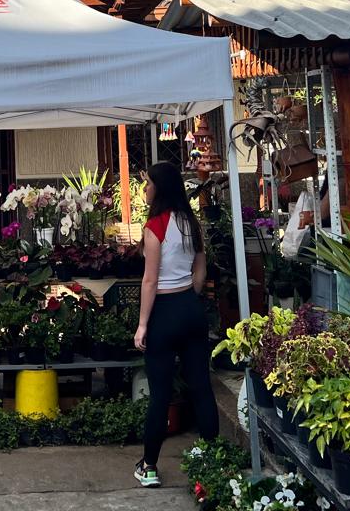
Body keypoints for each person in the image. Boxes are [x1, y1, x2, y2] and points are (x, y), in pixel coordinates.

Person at [132, 162, 220, 488]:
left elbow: (150, 280)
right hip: (190, 307)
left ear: (160, 188)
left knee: (160, 394)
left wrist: (142, 325)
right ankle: (214, 462)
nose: (144, 189)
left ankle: (150, 467)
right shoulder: (190, 223)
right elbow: (200, 272)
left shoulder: (155, 226)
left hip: (164, 311)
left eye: (148, 184)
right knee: (201, 386)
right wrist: (189, 299)